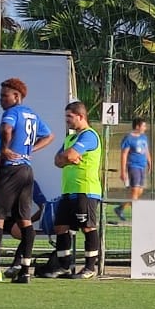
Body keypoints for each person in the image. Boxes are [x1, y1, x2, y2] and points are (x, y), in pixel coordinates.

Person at [0, 77, 53, 284]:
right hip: (27, 170)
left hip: (11, 170)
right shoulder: (32, 114)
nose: (2, 99)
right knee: (25, 220)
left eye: (5, 95)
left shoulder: (11, 113)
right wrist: (29, 151)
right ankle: (24, 272)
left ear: (16, 96)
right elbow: (49, 135)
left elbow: (5, 129)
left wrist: (4, 149)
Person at [47, 101, 104, 280]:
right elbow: (57, 160)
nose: (67, 121)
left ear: (80, 116)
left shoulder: (89, 136)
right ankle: (64, 266)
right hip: (68, 191)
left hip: (84, 190)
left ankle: (89, 268)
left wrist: (68, 157)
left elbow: (69, 155)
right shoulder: (70, 138)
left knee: (87, 227)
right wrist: (67, 158)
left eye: (69, 117)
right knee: (61, 227)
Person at [118, 118, 151, 220]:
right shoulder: (128, 139)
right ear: (137, 126)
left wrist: (150, 162)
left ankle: (120, 208)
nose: (145, 128)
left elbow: (146, 151)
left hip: (142, 166)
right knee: (135, 191)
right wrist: (123, 171)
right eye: (143, 126)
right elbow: (124, 154)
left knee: (139, 191)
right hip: (133, 167)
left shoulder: (144, 138)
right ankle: (136, 215)